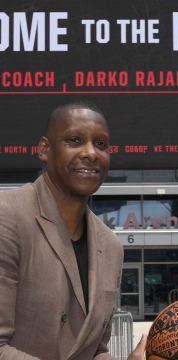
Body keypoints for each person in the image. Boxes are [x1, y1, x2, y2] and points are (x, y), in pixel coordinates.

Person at [0, 101, 135, 359]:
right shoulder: (7, 216)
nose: (91, 153)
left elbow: (95, 350)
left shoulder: (111, 246)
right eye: (75, 140)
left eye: (101, 144)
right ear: (44, 149)